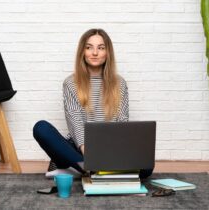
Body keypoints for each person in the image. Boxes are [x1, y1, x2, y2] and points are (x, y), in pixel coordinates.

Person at [33, 28, 153, 179]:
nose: (94, 53)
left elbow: (122, 123)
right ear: (82, 52)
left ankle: (78, 169)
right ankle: (94, 169)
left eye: (101, 48)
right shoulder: (70, 83)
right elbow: (75, 122)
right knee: (41, 128)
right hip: (79, 148)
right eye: (89, 47)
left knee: (147, 167)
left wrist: (112, 154)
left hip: (109, 149)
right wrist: (90, 155)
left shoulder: (120, 83)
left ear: (107, 52)